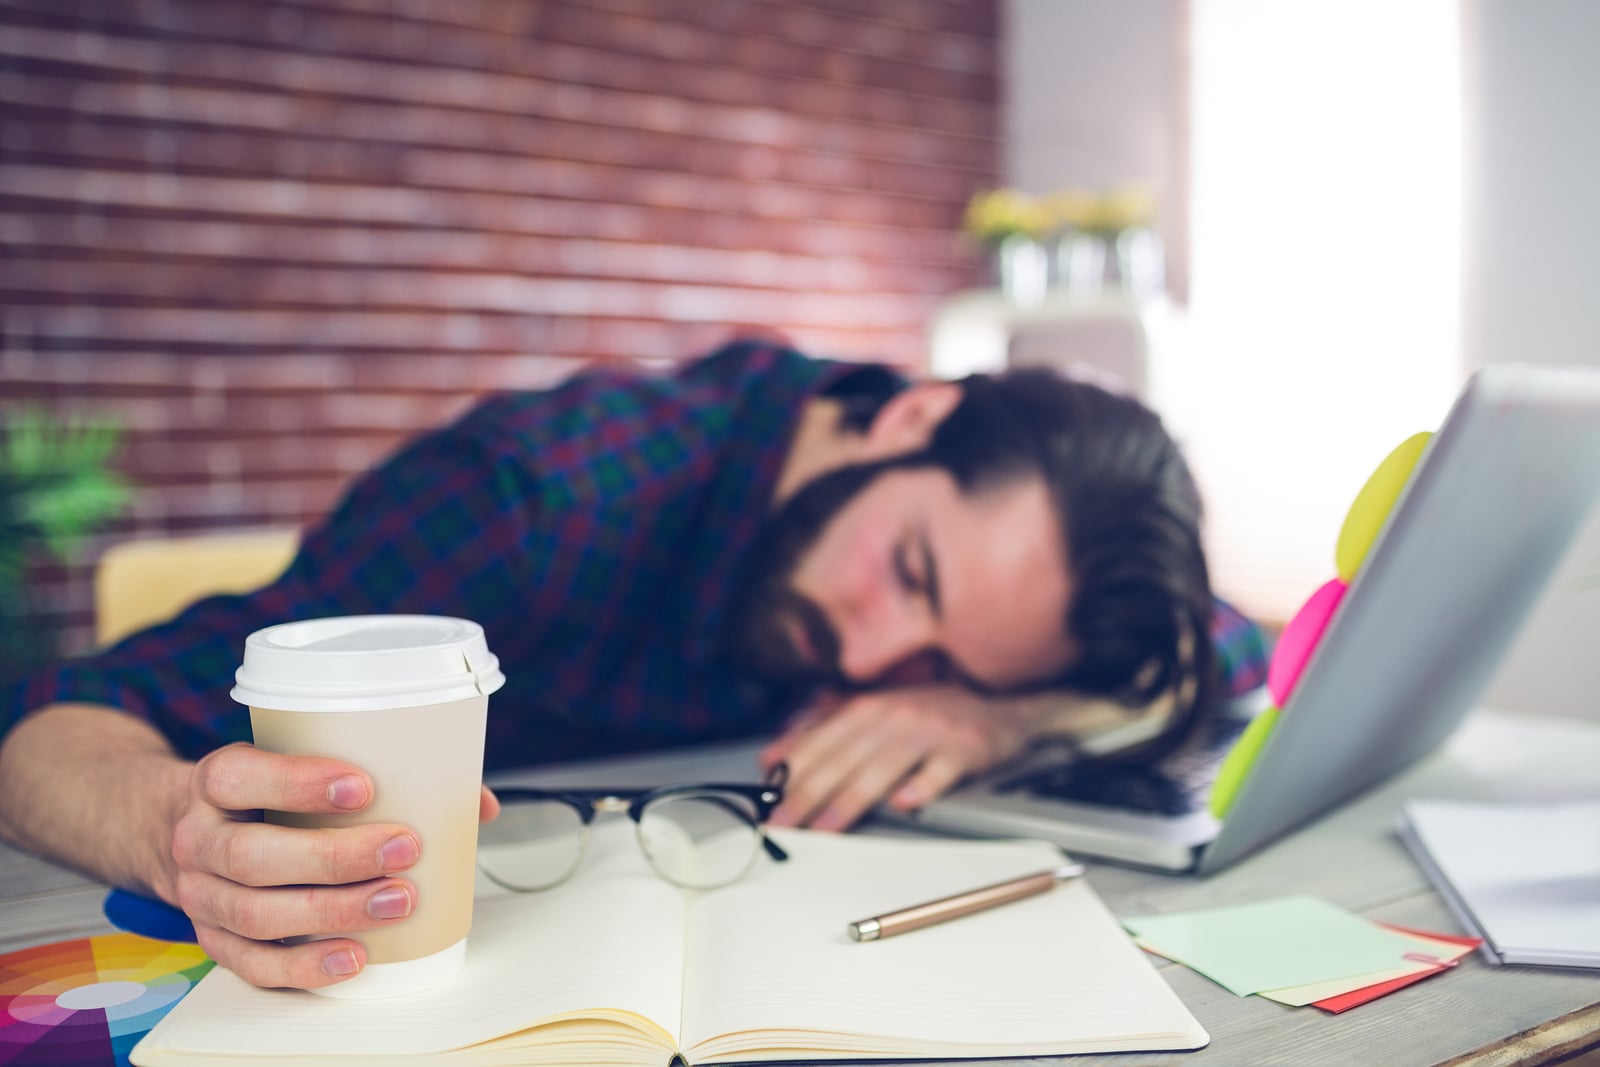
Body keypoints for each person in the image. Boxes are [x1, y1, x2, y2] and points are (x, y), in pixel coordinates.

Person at [0, 339, 1265, 991]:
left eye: (939, 657)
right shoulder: (538, 497)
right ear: (913, 414)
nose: (876, 657)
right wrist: (178, 826)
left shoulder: (988, 548)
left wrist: (997, 711)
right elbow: (58, 718)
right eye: (913, 575)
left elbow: (1225, 641)